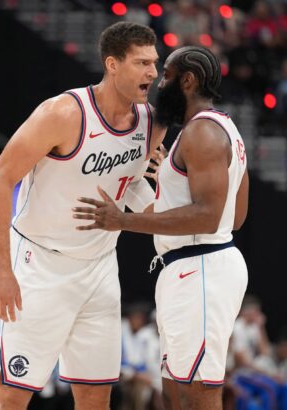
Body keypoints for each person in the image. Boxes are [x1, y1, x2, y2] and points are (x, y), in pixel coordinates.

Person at [0, 21, 166, 409]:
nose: (152, 72)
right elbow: (0, 179)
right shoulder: (62, 113)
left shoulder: (151, 123)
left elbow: (130, 186)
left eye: (155, 62)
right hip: (41, 265)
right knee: (14, 395)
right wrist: (1, 269)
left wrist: (164, 195)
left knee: (95, 395)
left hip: (100, 268)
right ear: (112, 64)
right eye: (142, 63)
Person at [73, 45, 249, 410]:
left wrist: (122, 220)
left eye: (166, 75)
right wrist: (170, 177)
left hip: (201, 270)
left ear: (188, 80)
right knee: (174, 392)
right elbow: (235, 216)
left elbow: (210, 217)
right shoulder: (221, 129)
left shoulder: (202, 134)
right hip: (195, 266)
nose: (158, 83)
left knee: (197, 393)